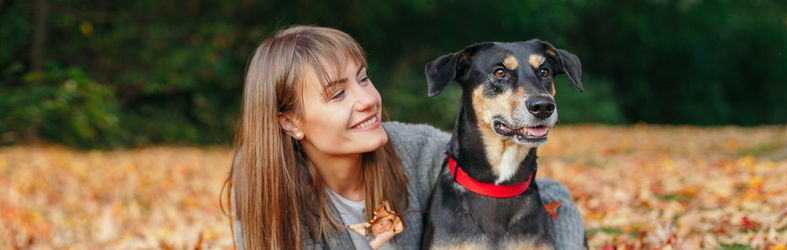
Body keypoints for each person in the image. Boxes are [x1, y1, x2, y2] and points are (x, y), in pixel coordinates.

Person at [222, 25, 585, 250]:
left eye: (363, 79)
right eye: (338, 94)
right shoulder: (267, 196)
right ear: (290, 122)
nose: (367, 100)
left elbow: (549, 196)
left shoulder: (412, 151)